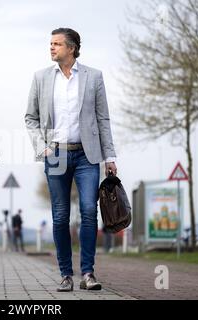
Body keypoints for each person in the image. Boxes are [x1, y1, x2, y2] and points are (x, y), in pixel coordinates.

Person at [25, 28, 117, 292]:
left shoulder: (94, 77)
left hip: (88, 155)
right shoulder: (41, 78)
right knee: (60, 215)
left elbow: (103, 119)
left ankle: (87, 273)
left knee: (89, 210)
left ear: (72, 48)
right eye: (50, 43)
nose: (51, 48)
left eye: (57, 44)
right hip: (56, 154)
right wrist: (42, 148)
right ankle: (66, 274)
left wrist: (109, 155)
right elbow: (30, 117)